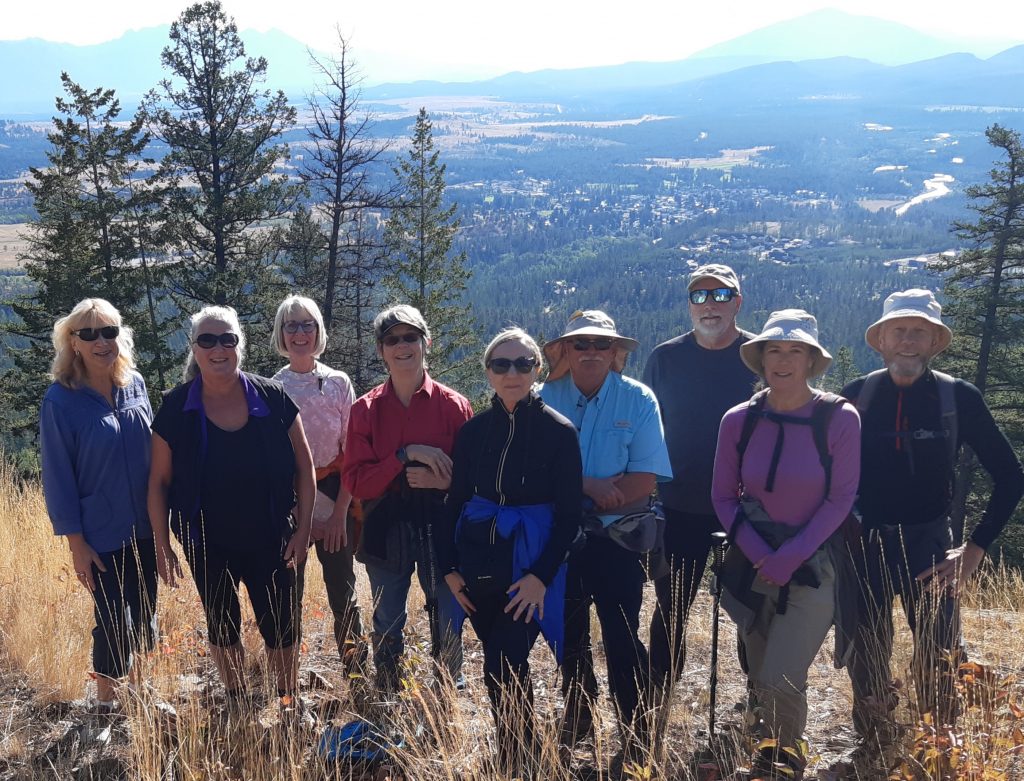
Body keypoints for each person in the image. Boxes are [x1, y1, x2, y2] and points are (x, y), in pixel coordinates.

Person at [842, 289, 1024, 749]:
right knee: (865, 652)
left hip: (932, 545)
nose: (908, 340)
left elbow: (1010, 476)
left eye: (918, 332)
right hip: (866, 541)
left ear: (934, 343)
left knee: (940, 656)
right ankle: (875, 744)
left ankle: (939, 750)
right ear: (880, 340)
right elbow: (827, 477)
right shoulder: (854, 398)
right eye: (898, 331)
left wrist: (975, 548)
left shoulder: (958, 398)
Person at [712, 309, 860, 779]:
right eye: (774, 349)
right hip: (753, 560)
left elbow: (840, 500)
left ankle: (783, 763)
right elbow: (722, 496)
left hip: (815, 564)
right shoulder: (739, 419)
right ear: (760, 358)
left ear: (812, 361)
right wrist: (763, 557)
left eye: (795, 350)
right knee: (760, 675)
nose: (783, 359)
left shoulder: (838, 418)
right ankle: (770, 755)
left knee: (781, 675)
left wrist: (788, 559)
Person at [148, 305, 315, 706]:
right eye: (207, 340)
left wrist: (304, 530)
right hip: (207, 540)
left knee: (282, 624)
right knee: (222, 625)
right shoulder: (176, 407)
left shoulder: (273, 398)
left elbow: (305, 470)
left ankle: (289, 701)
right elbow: (158, 481)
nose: (218, 348)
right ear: (194, 348)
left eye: (227, 339)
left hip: (272, 534)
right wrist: (161, 543)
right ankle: (238, 700)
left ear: (240, 345)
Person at [439, 328, 583, 777]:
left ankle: (518, 754)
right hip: (481, 556)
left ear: (537, 369)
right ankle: (515, 747)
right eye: (501, 364)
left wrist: (541, 575)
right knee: (497, 657)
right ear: (488, 372)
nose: (512, 373)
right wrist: (448, 568)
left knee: (507, 653)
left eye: (523, 363)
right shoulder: (473, 433)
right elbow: (455, 500)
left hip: (533, 558)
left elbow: (570, 516)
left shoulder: (559, 433)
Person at [538, 309, 672, 768]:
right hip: (561, 542)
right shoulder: (543, 397)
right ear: (566, 351)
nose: (591, 352)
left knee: (621, 634)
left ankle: (634, 726)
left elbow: (645, 480)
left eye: (601, 345)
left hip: (617, 542)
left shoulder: (638, 400)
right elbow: (533, 475)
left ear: (615, 352)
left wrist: (577, 495)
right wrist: (591, 487)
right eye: (581, 344)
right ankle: (578, 715)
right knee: (569, 634)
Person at [342, 304, 472, 693]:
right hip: (385, 524)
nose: (402, 346)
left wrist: (440, 484)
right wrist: (403, 456)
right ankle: (388, 686)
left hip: (442, 522)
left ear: (425, 342)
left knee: (447, 612)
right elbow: (356, 481)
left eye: (410, 337)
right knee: (387, 614)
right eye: (391, 340)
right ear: (381, 350)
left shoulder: (454, 406)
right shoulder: (364, 410)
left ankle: (448, 691)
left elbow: (474, 482)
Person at [643, 263, 757, 694]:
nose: (710, 304)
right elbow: (646, 426)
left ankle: (758, 693)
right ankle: (657, 693)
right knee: (671, 607)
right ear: (690, 305)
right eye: (700, 296)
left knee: (751, 607)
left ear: (738, 302)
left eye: (721, 295)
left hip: (747, 506)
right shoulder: (666, 358)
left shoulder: (758, 357)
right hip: (679, 504)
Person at [40, 298, 157, 712]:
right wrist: (76, 543)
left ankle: (140, 696)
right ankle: (108, 705)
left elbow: (156, 457)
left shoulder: (135, 384)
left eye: (108, 331)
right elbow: (57, 476)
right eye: (89, 333)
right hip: (99, 533)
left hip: (146, 527)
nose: (101, 341)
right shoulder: (60, 400)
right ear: (73, 342)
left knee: (145, 615)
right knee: (112, 621)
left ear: (119, 335)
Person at [271, 295, 366, 676]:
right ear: (281, 333)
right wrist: (300, 512)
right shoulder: (272, 387)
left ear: (318, 331)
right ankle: (288, 681)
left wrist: (339, 513)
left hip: (336, 496)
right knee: (287, 594)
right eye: (291, 325)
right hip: (290, 504)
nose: (299, 333)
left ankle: (356, 673)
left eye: (307, 324)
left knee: (343, 589)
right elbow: (274, 462)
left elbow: (354, 453)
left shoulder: (339, 383)